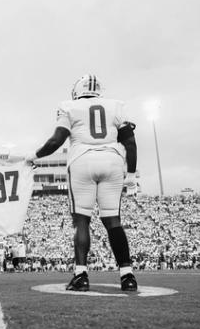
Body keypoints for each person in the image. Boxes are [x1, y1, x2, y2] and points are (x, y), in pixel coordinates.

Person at [25, 74, 138, 291]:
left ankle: (81, 275)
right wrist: (131, 175)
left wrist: (34, 156)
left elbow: (56, 140)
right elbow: (130, 143)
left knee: (82, 221)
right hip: (113, 160)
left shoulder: (69, 107)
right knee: (113, 220)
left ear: (77, 91)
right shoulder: (116, 106)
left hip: (81, 160)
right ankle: (127, 275)